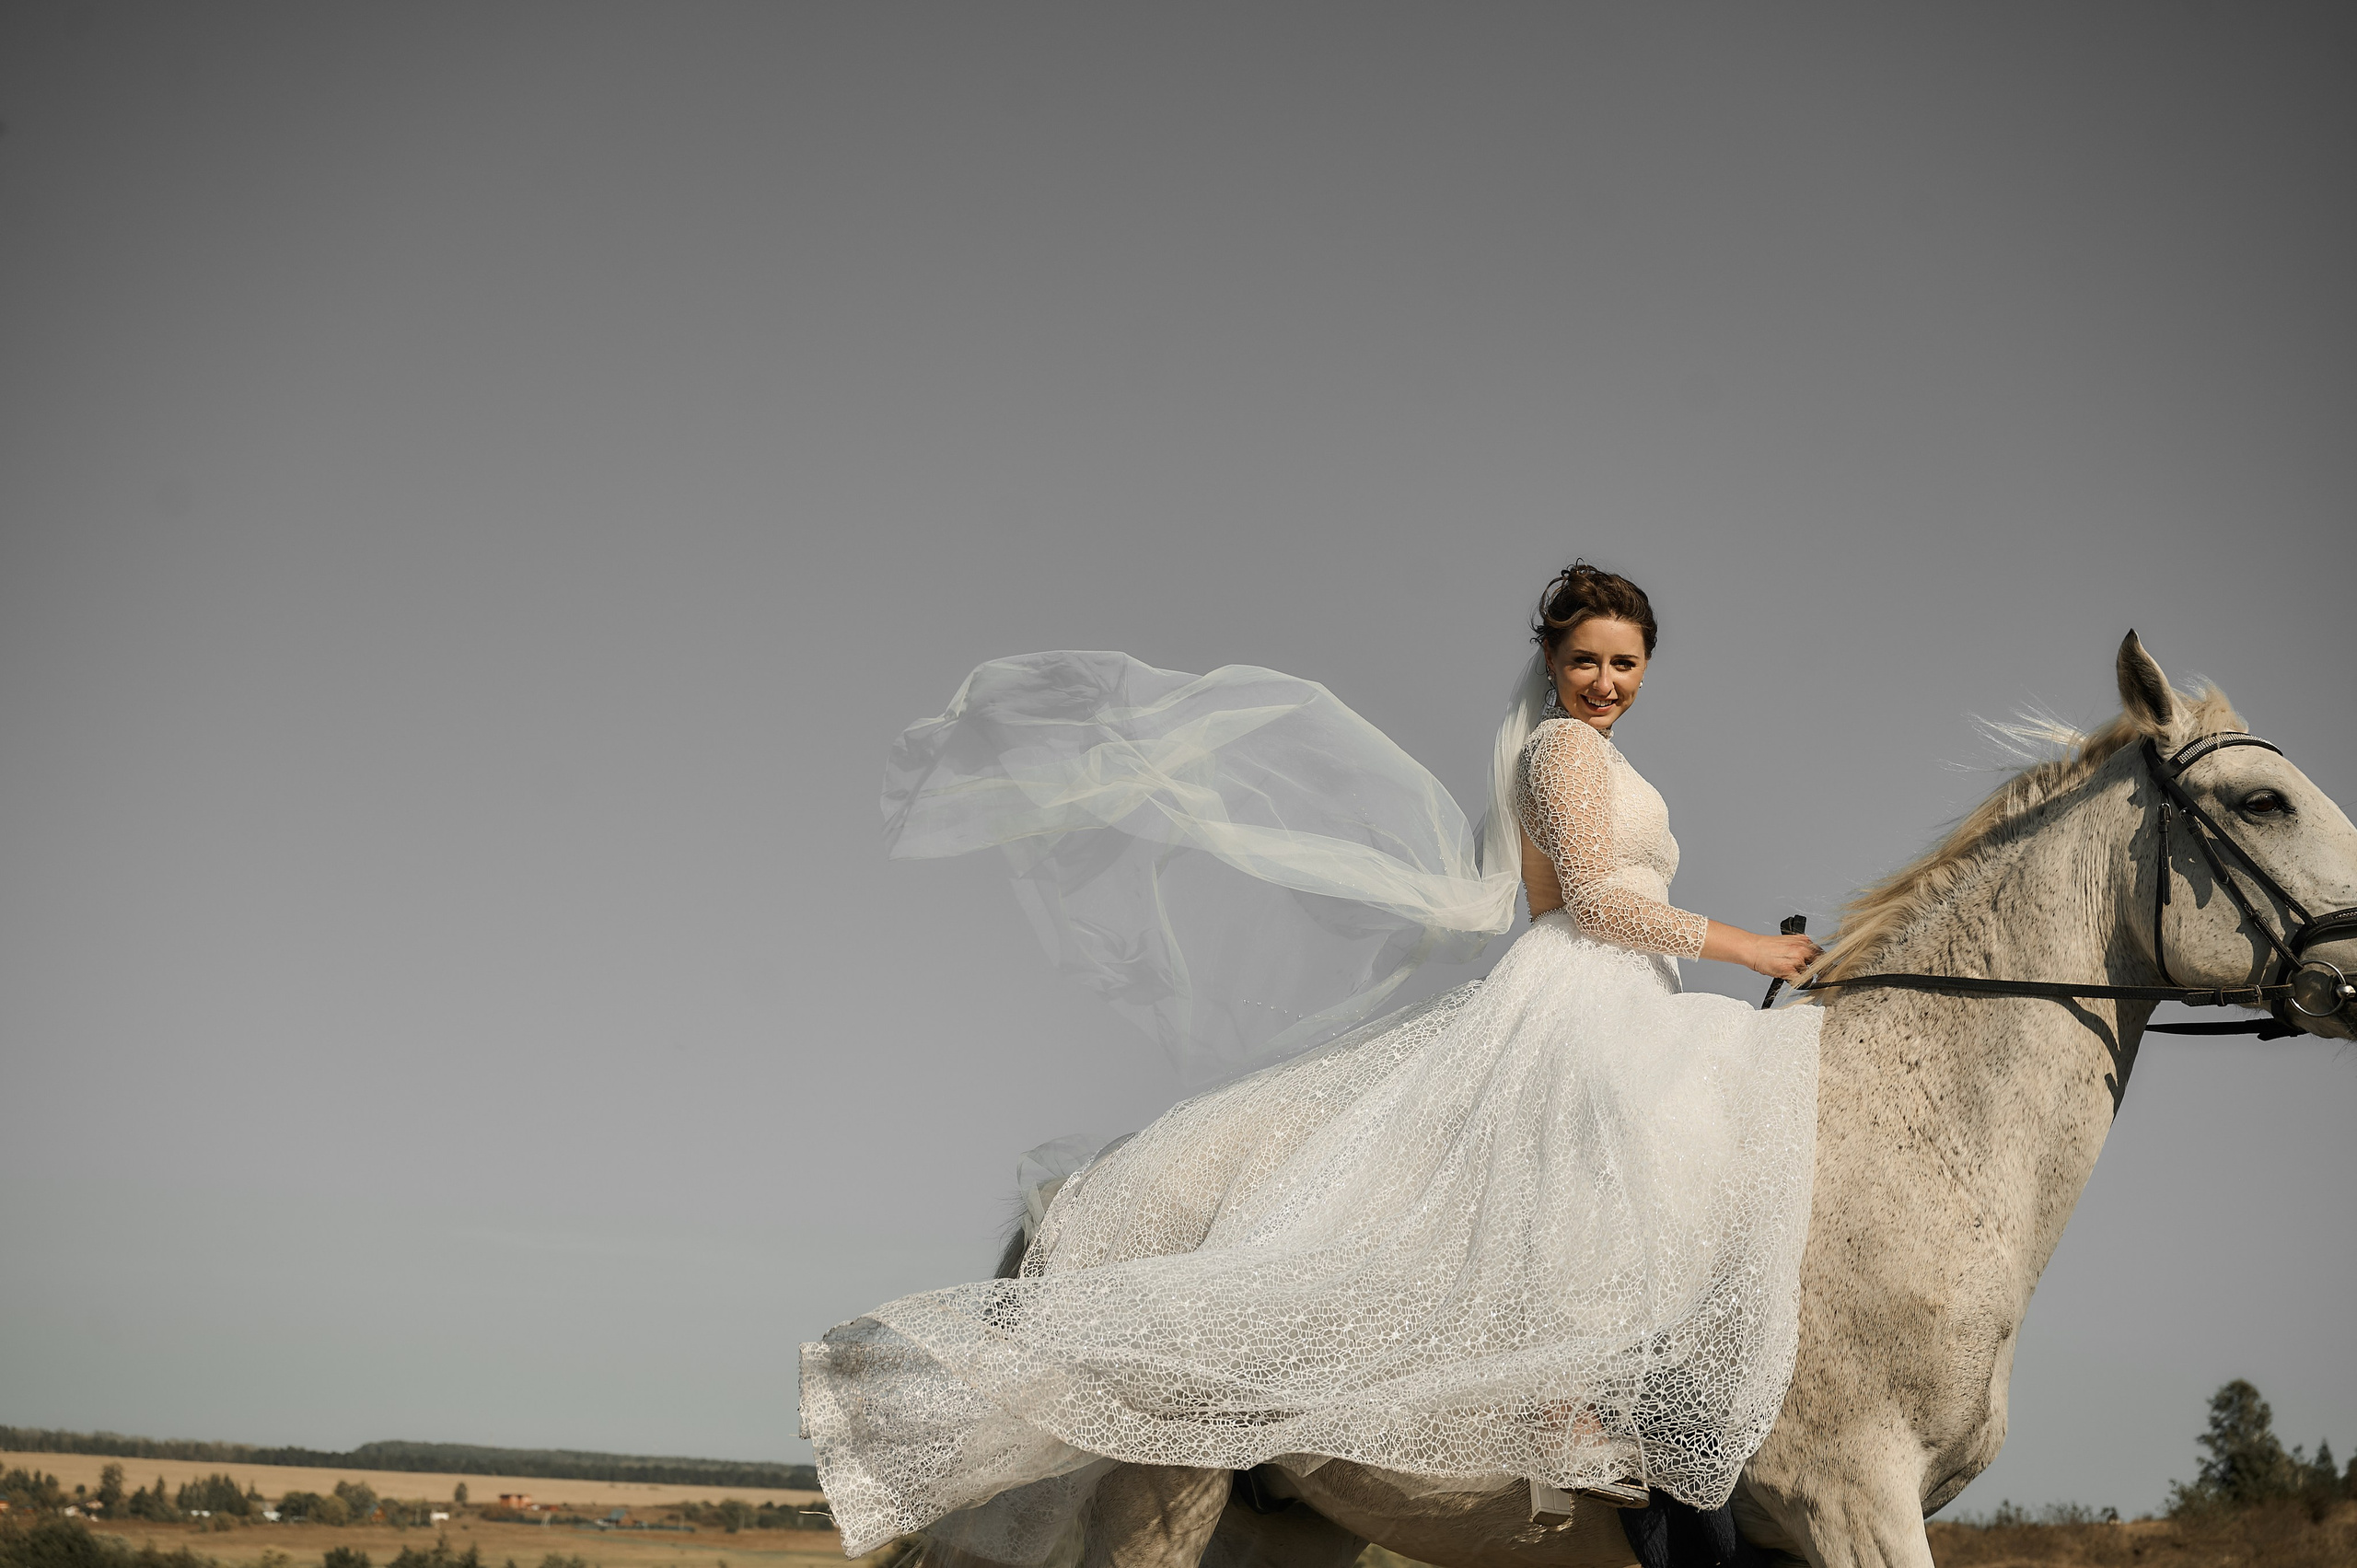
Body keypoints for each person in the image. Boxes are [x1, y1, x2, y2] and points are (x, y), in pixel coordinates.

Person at [802, 563, 1825, 1568]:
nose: (1605, 682)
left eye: (1624, 663)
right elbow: (1593, 900)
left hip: (1641, 989)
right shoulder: (1558, 751)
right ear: (1552, 664)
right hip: (1581, 985)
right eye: (1585, 660)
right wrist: (1755, 950)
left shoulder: (1610, 762)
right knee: (1602, 1170)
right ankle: (1568, 1413)